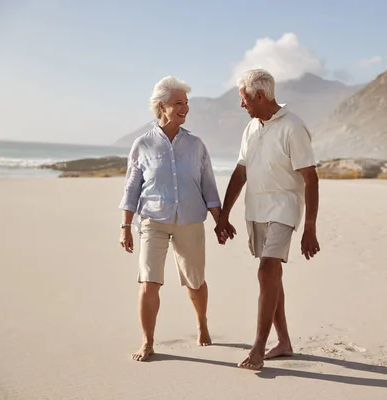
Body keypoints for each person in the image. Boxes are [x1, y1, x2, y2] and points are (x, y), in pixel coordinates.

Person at [215, 69, 321, 370]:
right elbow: (240, 172)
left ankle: (259, 348)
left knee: (266, 271)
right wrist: (224, 215)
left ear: (259, 96)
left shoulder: (293, 127)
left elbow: (310, 178)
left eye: (243, 99)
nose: (241, 105)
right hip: (256, 209)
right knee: (271, 276)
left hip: (284, 208)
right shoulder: (251, 129)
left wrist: (310, 228)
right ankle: (284, 341)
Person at [118, 76, 223, 362]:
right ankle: (147, 342)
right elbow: (131, 187)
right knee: (149, 281)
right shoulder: (143, 145)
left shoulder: (196, 145)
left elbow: (208, 185)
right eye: (178, 103)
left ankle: (202, 324)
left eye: (186, 104)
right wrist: (125, 225)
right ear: (162, 106)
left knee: (195, 280)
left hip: (190, 220)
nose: (184, 109)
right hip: (153, 220)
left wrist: (220, 220)